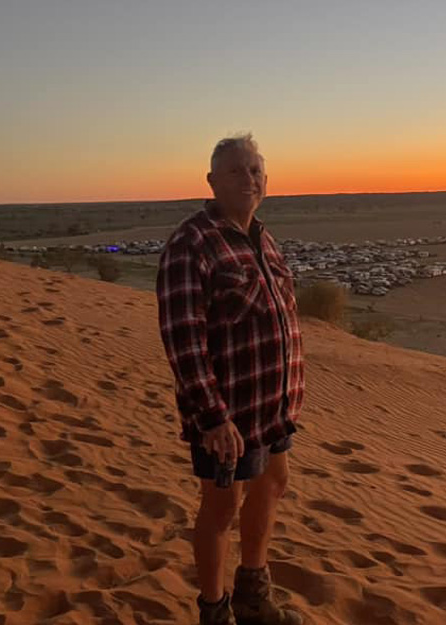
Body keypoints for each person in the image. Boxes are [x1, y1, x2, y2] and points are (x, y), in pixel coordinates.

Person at [156, 134, 304, 625]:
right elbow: (184, 340)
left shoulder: (262, 237)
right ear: (212, 181)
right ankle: (214, 611)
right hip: (226, 415)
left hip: (272, 406)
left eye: (256, 169)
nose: (250, 178)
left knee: (273, 483)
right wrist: (213, 417)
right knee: (221, 508)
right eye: (237, 170)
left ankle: (254, 597)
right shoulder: (192, 243)